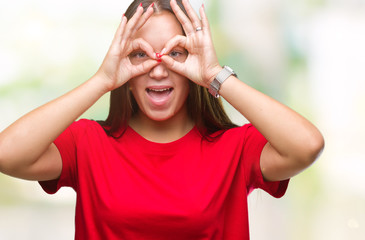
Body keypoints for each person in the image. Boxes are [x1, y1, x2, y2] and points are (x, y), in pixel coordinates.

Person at [0, 0, 324, 239]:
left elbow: (307, 146)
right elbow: (7, 153)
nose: (157, 69)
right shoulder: (87, 144)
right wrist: (101, 80)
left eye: (175, 54)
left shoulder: (234, 148)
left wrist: (214, 75)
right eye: (140, 54)